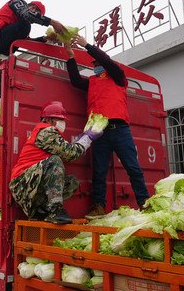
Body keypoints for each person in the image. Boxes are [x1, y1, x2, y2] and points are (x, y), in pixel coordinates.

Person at [64, 35, 150, 218]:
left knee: (133, 167)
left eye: (98, 64)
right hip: (99, 133)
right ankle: (99, 206)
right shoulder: (92, 83)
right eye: (94, 65)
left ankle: (144, 202)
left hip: (120, 129)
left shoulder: (118, 77)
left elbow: (107, 61)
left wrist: (86, 46)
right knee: (99, 171)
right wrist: (70, 56)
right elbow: (75, 80)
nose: (96, 67)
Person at [9, 101, 102, 224]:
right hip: (21, 183)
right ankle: (55, 210)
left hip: (32, 183)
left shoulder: (51, 135)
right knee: (54, 161)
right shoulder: (46, 132)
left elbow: (67, 152)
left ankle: (42, 211)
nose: (62, 122)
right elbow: (70, 153)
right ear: (48, 119)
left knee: (71, 182)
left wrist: (80, 143)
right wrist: (87, 139)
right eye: (59, 119)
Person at [0, 0, 68, 120]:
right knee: (25, 25)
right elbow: (26, 15)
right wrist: (52, 22)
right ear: (33, 9)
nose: (32, 21)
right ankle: (2, 55)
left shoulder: (17, 29)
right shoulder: (17, 3)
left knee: (4, 77)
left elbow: (25, 42)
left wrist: (45, 38)